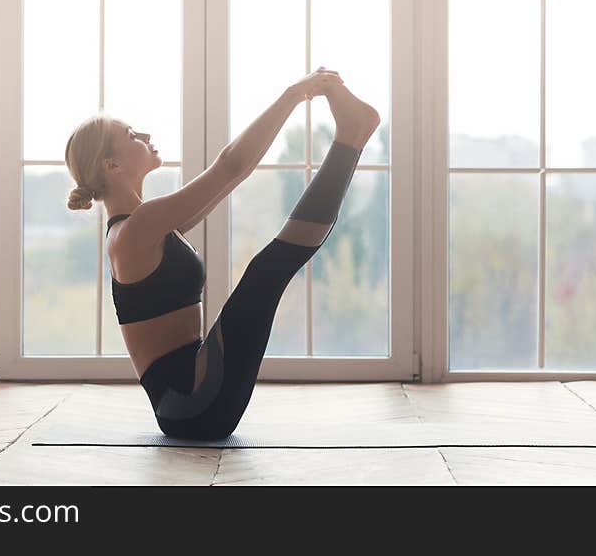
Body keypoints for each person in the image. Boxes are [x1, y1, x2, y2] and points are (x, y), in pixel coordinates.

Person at [64, 67, 380, 440]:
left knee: (266, 270)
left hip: (195, 398)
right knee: (265, 271)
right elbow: (231, 165)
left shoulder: (146, 226)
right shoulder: (134, 229)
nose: (145, 135)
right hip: (193, 404)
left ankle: (351, 136)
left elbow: (233, 175)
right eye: (131, 135)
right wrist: (293, 94)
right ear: (111, 165)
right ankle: (351, 137)